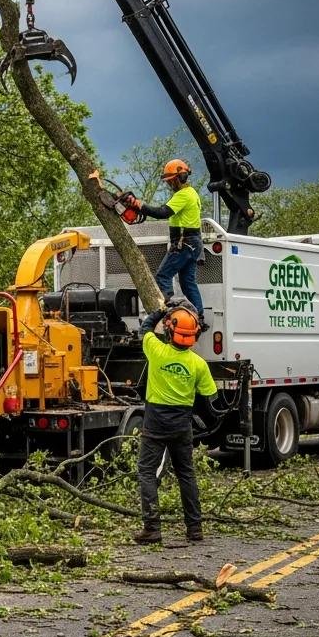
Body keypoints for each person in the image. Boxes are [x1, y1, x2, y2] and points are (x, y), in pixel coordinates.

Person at [133, 300, 218, 545]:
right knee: (186, 475)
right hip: (182, 423)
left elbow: (145, 329)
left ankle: (152, 527)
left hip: (155, 422)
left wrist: (162, 310)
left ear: (170, 331)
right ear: (194, 336)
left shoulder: (156, 351)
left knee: (147, 472)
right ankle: (194, 529)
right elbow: (208, 396)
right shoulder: (198, 364)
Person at [123, 159, 205, 321]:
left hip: (183, 242)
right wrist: (141, 207)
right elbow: (163, 210)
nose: (169, 184)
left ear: (179, 177)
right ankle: (198, 316)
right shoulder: (192, 193)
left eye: (171, 181)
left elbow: (162, 212)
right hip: (193, 242)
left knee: (162, 275)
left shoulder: (183, 195)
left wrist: (140, 205)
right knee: (187, 282)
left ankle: (165, 311)